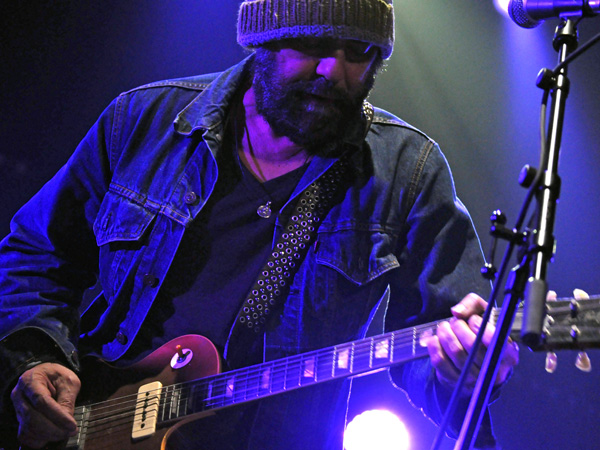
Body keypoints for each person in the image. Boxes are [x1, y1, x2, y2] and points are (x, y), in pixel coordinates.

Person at [0, 1, 518, 449]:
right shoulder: (144, 120)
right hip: (92, 422)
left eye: (358, 52)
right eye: (312, 44)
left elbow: (439, 347)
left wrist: (466, 371)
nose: (333, 71)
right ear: (261, 41)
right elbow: (34, 255)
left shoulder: (408, 170)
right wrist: (36, 359)